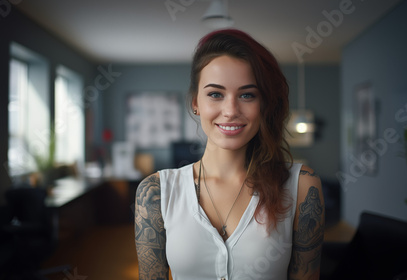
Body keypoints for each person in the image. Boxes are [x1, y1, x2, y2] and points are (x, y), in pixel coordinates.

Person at [135, 29, 324, 280]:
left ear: (264, 104)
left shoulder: (301, 186)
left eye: (247, 95)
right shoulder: (156, 192)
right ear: (195, 102)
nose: (231, 110)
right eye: (215, 94)